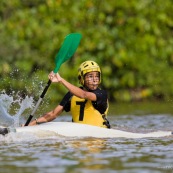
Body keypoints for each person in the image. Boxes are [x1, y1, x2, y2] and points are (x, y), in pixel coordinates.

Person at [28, 60, 111, 128]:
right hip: (78, 139)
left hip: (98, 137)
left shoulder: (102, 94)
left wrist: (61, 80)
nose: (94, 79)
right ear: (81, 78)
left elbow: (84, 95)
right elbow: (53, 114)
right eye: (90, 76)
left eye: (96, 76)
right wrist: (31, 124)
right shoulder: (72, 95)